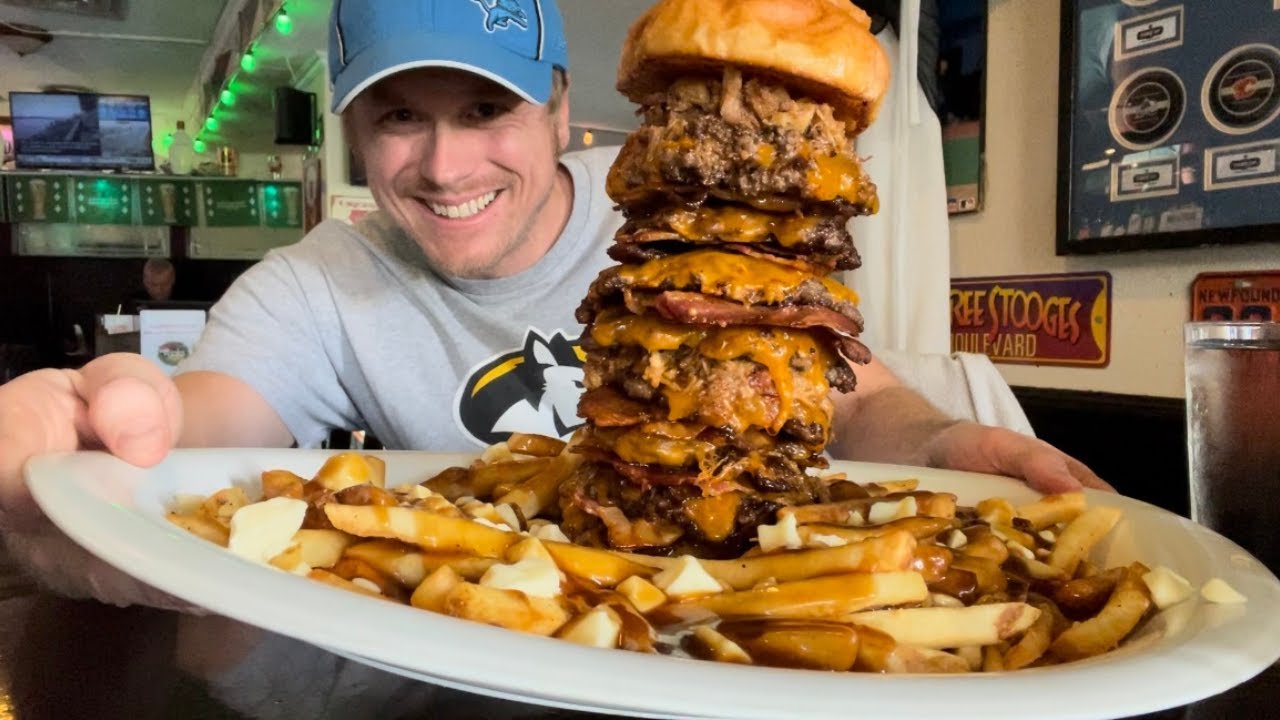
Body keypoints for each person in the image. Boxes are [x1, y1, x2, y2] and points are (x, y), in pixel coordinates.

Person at [0, 0, 1109, 608]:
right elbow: (211, 423)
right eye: (397, 116)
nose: (443, 165)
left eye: (485, 107)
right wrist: (116, 426)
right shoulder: (314, 281)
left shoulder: (702, 231)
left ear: (561, 109)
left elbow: (854, 402)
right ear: (348, 130)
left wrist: (942, 439)